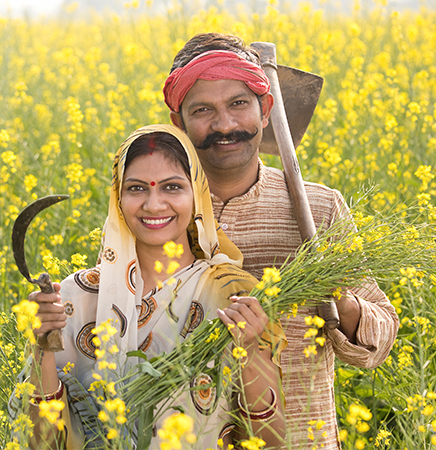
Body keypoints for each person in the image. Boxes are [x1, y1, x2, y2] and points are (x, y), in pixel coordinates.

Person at [163, 33, 400, 449]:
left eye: (238, 104)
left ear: (266, 108)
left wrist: (334, 297)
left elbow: (377, 340)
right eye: (203, 110)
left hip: (302, 439)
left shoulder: (320, 208)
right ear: (179, 124)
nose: (224, 125)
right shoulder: (154, 212)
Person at [9, 124, 285, 449]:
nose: (154, 205)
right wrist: (42, 346)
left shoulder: (233, 294)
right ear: (118, 198)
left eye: (172, 187)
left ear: (196, 195)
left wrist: (250, 351)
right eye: (137, 189)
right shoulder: (76, 297)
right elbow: (40, 442)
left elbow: (271, 440)